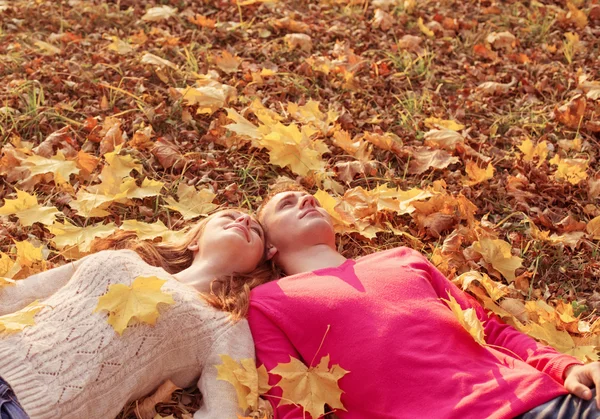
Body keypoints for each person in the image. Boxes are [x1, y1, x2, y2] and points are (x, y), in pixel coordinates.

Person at [249, 182, 600, 419]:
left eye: (309, 197)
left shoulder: (402, 258)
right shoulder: (266, 303)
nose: (308, 200)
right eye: (287, 204)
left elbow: (489, 330)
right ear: (269, 248)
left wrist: (566, 366)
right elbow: (293, 404)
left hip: (544, 403)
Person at [0, 209, 273, 419]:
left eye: (257, 231)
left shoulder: (224, 324)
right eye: (229, 216)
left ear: (257, 266)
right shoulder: (123, 259)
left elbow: (226, 410)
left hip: (33, 408)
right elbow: (22, 293)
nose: (244, 221)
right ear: (195, 241)